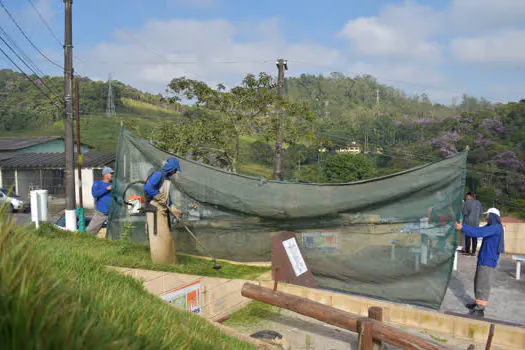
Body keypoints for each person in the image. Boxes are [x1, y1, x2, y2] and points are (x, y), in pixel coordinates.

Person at [455, 208, 504, 317]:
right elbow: (477, 230)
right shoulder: (492, 227)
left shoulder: (495, 228)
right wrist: (464, 226)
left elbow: (479, 233)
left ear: (493, 216)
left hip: (488, 260)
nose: (486, 218)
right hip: (484, 258)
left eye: (488, 215)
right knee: (478, 281)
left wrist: (462, 227)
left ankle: (480, 310)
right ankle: (478, 303)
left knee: (483, 284)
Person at [143, 158, 183, 264]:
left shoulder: (167, 179)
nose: (175, 172)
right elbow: (147, 187)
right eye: (175, 170)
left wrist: (174, 208)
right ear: (170, 168)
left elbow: (166, 198)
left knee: (167, 237)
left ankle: (170, 262)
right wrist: (157, 196)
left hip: (162, 210)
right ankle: (160, 262)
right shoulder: (158, 175)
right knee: (160, 237)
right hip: (155, 209)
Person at [86, 167, 114, 234]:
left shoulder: (114, 184)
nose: (112, 175)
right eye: (111, 173)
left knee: (115, 231)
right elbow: (95, 194)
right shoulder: (98, 183)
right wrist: (106, 189)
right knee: (91, 231)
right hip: (101, 213)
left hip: (113, 213)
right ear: (105, 174)